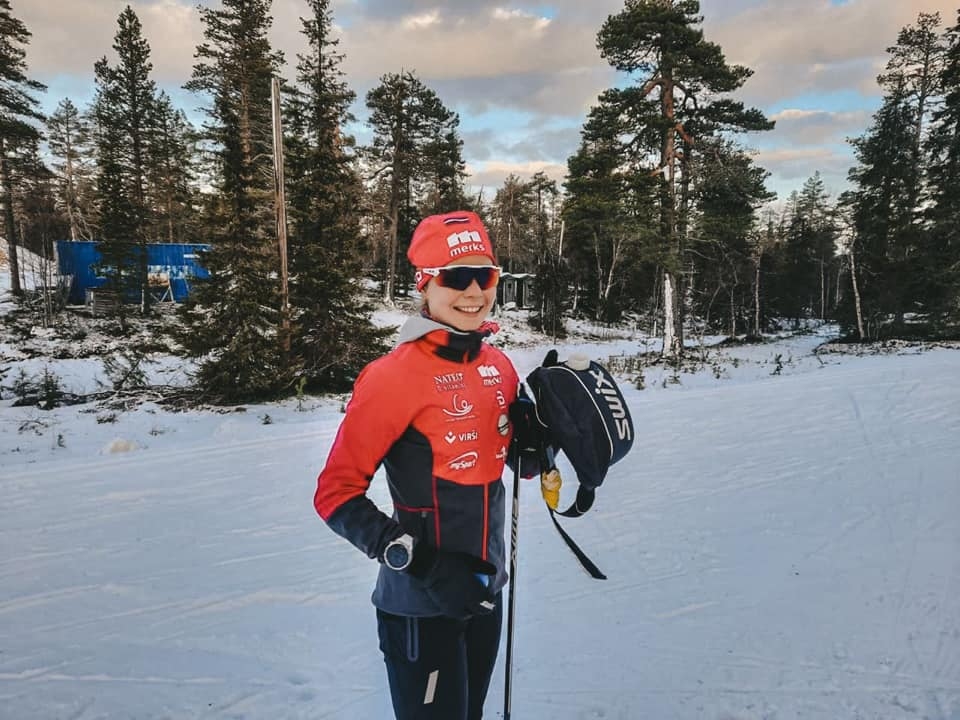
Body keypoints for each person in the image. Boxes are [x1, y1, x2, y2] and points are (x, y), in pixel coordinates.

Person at [313, 210, 536, 720]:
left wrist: (534, 443)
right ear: (426, 283)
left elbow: (510, 467)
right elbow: (335, 494)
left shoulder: (497, 367)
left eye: (486, 276)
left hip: (485, 593)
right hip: (420, 604)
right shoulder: (391, 376)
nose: (474, 291)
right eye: (457, 277)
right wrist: (427, 567)